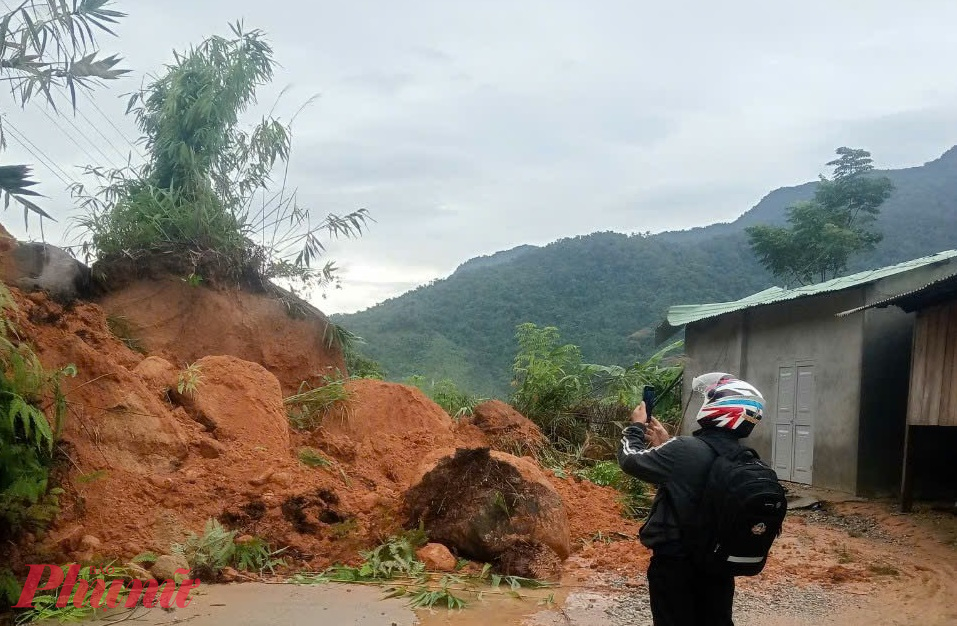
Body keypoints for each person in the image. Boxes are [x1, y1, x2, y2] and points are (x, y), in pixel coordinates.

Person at [617, 372, 766, 626]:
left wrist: (637, 426)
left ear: (717, 408)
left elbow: (630, 459)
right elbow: (695, 484)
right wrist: (666, 443)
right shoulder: (747, 458)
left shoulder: (684, 449)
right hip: (718, 564)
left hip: (675, 564)